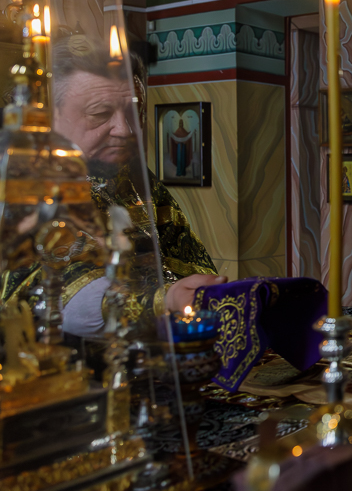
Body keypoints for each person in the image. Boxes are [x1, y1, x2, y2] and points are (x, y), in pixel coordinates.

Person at [1, 37, 225, 335]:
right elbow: (47, 289)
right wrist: (161, 300)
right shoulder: (18, 180)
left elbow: (185, 258)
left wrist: (212, 293)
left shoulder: (132, 175)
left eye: (133, 112)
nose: (126, 130)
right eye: (100, 114)